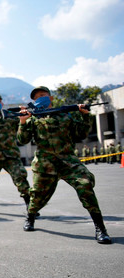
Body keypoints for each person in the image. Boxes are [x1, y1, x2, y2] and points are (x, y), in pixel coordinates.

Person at [18, 86, 111, 244]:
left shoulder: (65, 115)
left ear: (51, 98)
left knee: (85, 185)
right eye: (37, 97)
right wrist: (22, 122)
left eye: (43, 95)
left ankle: (100, 228)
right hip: (44, 164)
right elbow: (22, 140)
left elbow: (81, 134)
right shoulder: (33, 118)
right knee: (37, 198)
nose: (40, 98)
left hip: (68, 161)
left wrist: (85, 116)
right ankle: (30, 217)